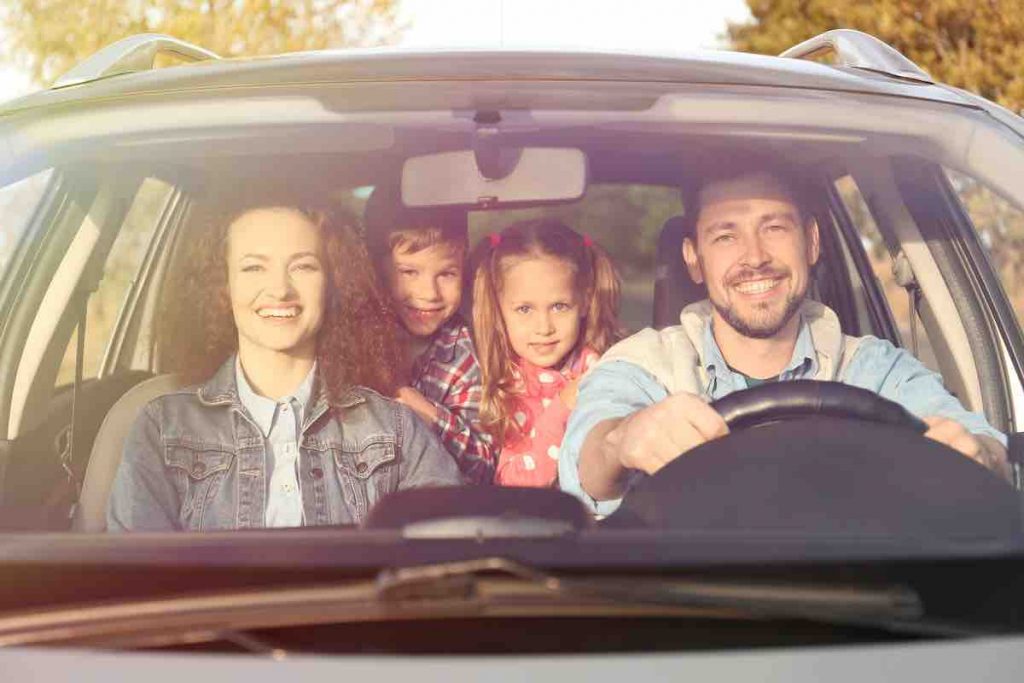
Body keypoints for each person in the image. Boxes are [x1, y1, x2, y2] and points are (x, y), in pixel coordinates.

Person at [559, 165, 1012, 516]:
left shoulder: (874, 369)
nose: (755, 257)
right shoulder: (645, 365)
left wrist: (979, 456)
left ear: (812, 242)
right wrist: (622, 441)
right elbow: (586, 463)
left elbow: (982, 444)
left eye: (774, 227)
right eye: (725, 236)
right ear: (694, 260)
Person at [108, 203, 461, 531]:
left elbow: (446, 568)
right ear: (222, 287)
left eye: (303, 266)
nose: (279, 290)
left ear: (332, 285)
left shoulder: (396, 430)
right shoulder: (162, 429)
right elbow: (139, 582)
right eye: (253, 267)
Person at [473, 219, 621, 487]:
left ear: (585, 301)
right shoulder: (504, 383)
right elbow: (516, 484)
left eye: (559, 306)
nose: (544, 328)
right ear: (498, 309)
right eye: (525, 310)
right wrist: (562, 407)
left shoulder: (605, 369)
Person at [366, 197, 495, 484]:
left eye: (447, 274)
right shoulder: (356, 340)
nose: (429, 293)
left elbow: (484, 465)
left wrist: (426, 412)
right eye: (409, 272)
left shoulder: (466, 356)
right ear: (378, 271)